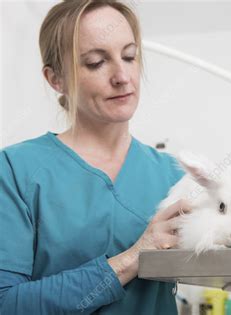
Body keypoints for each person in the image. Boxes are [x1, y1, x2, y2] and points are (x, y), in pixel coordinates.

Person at [0, 1, 191, 314]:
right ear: (56, 79)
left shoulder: (172, 175)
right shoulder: (15, 171)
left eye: (129, 56)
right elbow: (6, 304)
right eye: (95, 62)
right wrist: (135, 257)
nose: (122, 76)